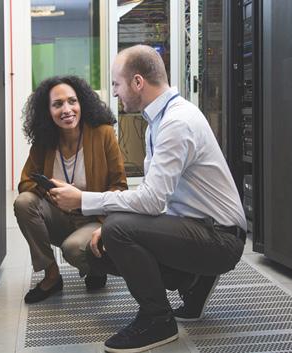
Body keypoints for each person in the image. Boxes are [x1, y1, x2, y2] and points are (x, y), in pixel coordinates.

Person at [49, 45, 247, 353]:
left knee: (117, 230)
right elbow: (161, 196)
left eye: (116, 84)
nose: (114, 93)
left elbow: (153, 201)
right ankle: (194, 281)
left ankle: (158, 320)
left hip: (220, 238)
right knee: (112, 236)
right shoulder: (159, 120)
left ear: (138, 82)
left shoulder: (176, 123)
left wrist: (84, 201)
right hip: (198, 227)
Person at [14, 75, 127, 304]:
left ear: (82, 103)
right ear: (48, 111)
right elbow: (25, 183)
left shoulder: (103, 133)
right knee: (24, 202)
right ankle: (52, 275)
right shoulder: (44, 141)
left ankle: (97, 264)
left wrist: (82, 198)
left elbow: (119, 186)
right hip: (61, 218)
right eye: (57, 104)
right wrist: (54, 193)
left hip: (95, 218)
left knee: (73, 249)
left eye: (72, 101)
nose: (67, 109)